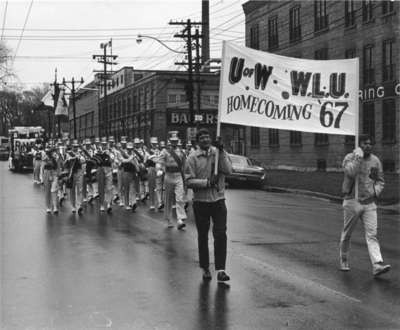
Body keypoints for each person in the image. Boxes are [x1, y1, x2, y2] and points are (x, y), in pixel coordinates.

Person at [339, 134, 390, 277]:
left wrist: (375, 191)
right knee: (347, 234)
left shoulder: (375, 161)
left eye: (370, 143)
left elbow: (380, 180)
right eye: (365, 143)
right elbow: (350, 173)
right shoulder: (350, 157)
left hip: (369, 203)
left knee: (372, 235)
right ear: (359, 143)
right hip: (352, 201)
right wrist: (358, 157)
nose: (368, 145)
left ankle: (377, 265)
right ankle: (344, 259)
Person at [185, 128, 232, 282]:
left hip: (218, 200)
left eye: (207, 137)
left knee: (220, 234)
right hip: (201, 202)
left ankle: (221, 269)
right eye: (202, 138)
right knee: (203, 236)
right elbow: (188, 181)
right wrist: (206, 183)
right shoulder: (192, 158)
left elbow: (228, 170)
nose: (205, 140)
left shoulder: (218, 153)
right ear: (198, 141)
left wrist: (222, 150)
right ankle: (205, 267)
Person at [157, 131, 187, 229]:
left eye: (176, 141)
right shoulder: (165, 151)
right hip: (169, 176)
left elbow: (184, 165)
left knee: (179, 197)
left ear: (177, 141)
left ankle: (180, 219)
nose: (174, 142)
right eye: (172, 141)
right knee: (169, 199)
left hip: (178, 175)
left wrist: (185, 176)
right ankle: (168, 219)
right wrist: (159, 169)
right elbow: (159, 161)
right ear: (170, 141)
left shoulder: (182, 152)